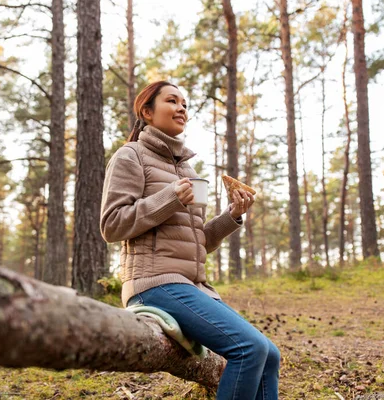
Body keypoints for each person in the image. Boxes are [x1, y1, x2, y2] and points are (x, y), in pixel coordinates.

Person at [100, 81, 280, 400]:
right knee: (248, 349)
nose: (182, 108)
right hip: (152, 283)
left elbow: (200, 241)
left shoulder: (190, 171)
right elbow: (112, 226)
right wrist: (169, 197)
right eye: (172, 101)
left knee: (270, 355)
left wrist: (232, 215)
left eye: (186, 104)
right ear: (147, 111)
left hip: (191, 286)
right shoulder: (130, 156)